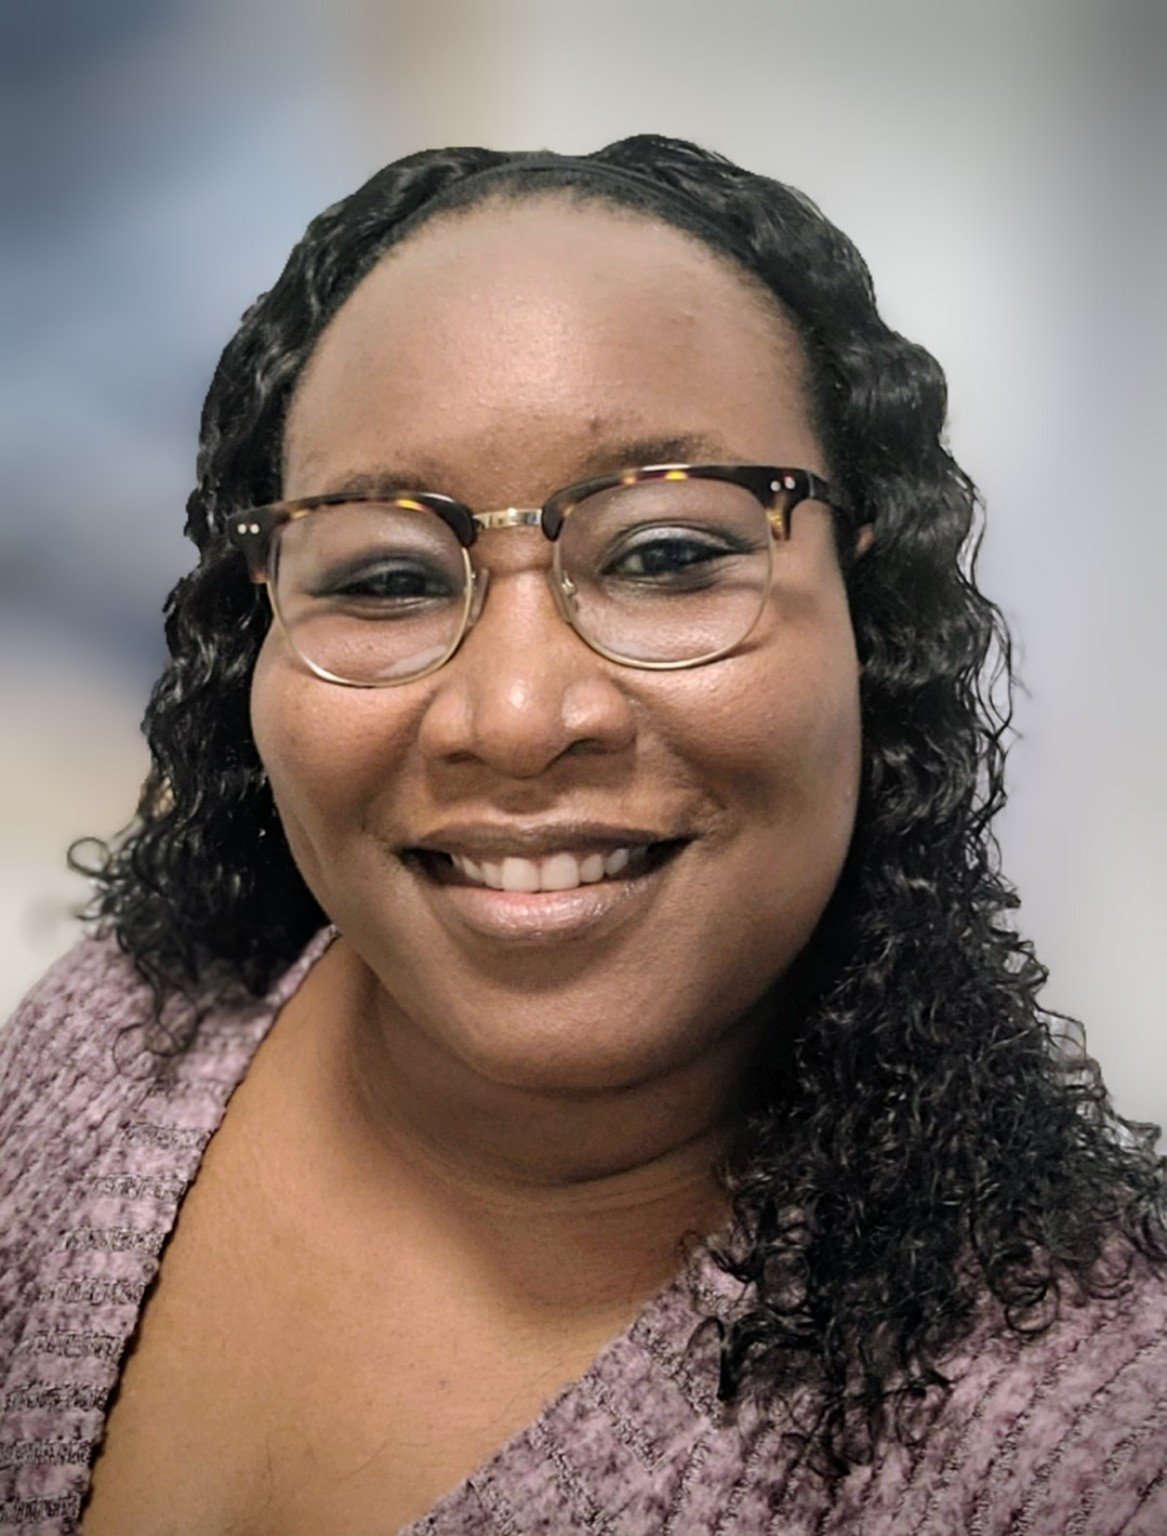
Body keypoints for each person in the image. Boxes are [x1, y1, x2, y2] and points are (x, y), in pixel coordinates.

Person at [1, 135, 1164, 1536]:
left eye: (669, 553)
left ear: (876, 622)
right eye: (383, 574)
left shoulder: (1100, 1442)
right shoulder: (107, 1042)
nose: (514, 712)